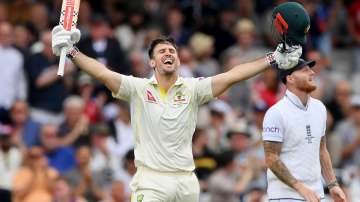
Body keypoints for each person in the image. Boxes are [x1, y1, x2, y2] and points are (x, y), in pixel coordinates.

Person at [51, 23, 301, 201]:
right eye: (162, 51)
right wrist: (72, 52)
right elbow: (102, 72)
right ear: (152, 62)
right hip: (151, 181)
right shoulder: (137, 88)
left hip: (185, 182)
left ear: (179, 61)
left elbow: (232, 75)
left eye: (172, 51)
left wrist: (272, 58)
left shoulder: (193, 89)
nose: (169, 53)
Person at [262, 59, 347, 202]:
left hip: (316, 195)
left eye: (311, 69)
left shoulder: (319, 108)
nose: (312, 73)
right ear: (290, 78)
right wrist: (300, 188)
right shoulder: (276, 112)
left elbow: (321, 149)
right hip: (285, 197)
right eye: (305, 70)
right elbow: (271, 158)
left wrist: (332, 184)